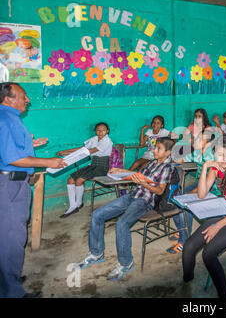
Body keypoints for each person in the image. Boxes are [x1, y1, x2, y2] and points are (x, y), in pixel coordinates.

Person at [75, 137, 175, 281]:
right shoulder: (152, 163)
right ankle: (96, 253)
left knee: (122, 223)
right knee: (97, 214)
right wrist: (120, 171)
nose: (154, 150)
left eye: (159, 148)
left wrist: (144, 183)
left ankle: (126, 263)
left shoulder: (167, 168)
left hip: (144, 201)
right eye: (155, 147)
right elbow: (135, 175)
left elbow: (159, 191)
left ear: (168, 153)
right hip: (132, 195)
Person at [0, 82, 66, 298]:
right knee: (11, 239)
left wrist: (31, 145)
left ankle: (8, 279)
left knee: (9, 236)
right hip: (9, 186)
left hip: (12, 182)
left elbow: (10, 150)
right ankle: (12, 292)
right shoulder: (6, 119)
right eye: (23, 96)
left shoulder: (9, 119)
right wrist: (48, 161)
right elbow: (13, 158)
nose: (27, 100)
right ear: (8, 99)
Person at [182, 135, 226, 298]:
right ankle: (187, 281)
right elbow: (201, 194)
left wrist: (217, 226)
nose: (224, 159)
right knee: (189, 247)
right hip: (223, 211)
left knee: (208, 254)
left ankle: (225, 296)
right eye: (220, 155)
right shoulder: (215, 169)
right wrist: (206, 166)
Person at [168, 130, 216, 254]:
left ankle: (184, 241)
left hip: (212, 187)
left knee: (186, 203)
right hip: (200, 183)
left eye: (200, 139)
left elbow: (207, 184)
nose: (196, 141)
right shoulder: (197, 152)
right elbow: (181, 159)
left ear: (208, 143)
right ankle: (182, 230)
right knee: (173, 197)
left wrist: (191, 193)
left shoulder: (211, 156)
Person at [57, 122, 113, 218]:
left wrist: (69, 155)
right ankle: (73, 206)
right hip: (93, 165)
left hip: (102, 167)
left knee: (79, 180)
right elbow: (82, 148)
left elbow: (90, 151)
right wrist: (65, 151)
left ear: (107, 131)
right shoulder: (94, 139)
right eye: (98, 130)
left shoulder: (107, 141)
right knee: (70, 180)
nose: (101, 132)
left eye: (103, 130)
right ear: (95, 131)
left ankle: (78, 204)